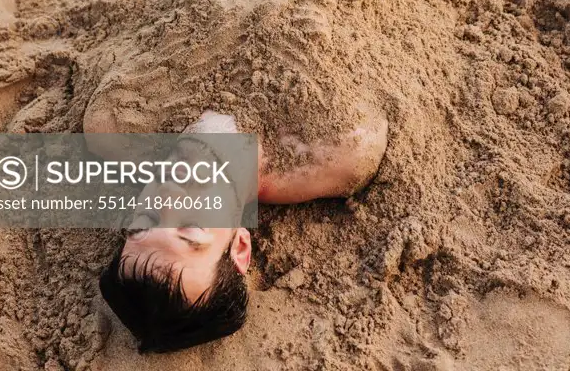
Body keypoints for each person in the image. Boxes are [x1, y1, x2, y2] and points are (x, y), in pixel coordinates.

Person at [97, 109, 388, 354]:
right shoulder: (339, 147)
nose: (169, 193)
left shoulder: (113, 124)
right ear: (239, 246)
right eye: (191, 229)